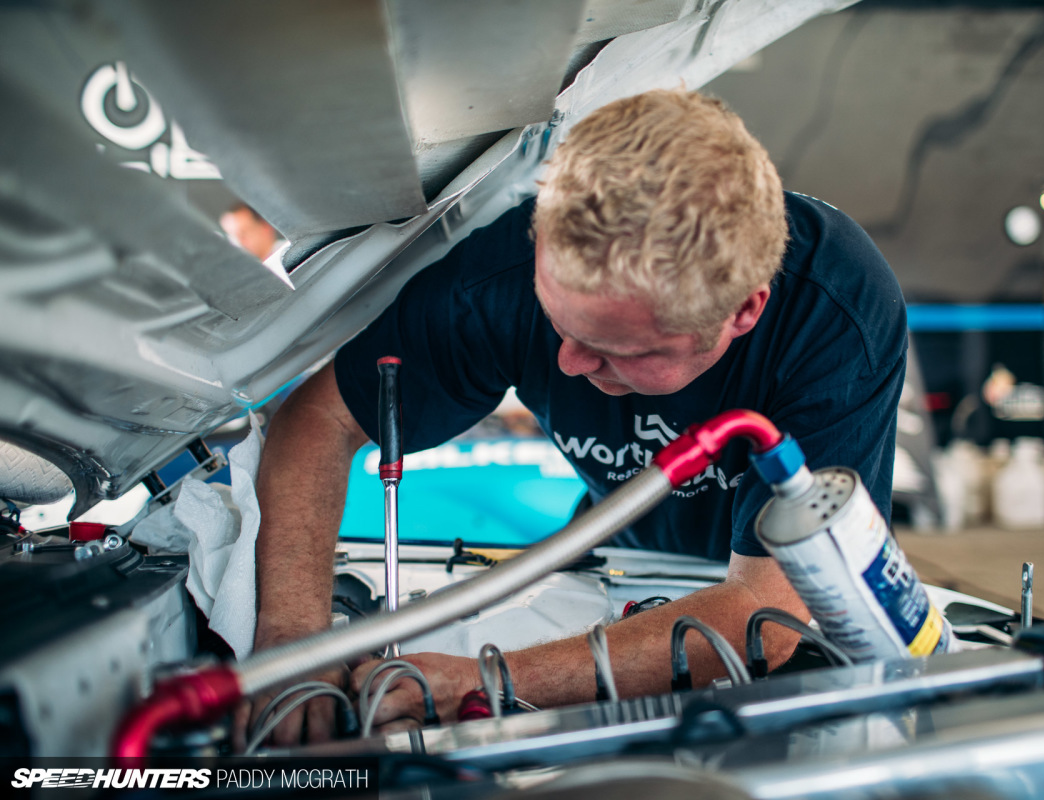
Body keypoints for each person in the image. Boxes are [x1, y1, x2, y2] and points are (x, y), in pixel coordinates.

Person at [238, 89, 907, 747]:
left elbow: (769, 616)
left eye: (619, 350)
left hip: (778, 608)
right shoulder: (506, 271)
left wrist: (486, 681)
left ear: (742, 313)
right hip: (611, 557)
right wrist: (294, 639)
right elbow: (322, 417)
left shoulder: (835, 310)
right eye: (557, 321)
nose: (565, 363)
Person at [220, 202, 284, 262]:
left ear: (265, 227)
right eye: (232, 237)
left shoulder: (288, 255)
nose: (238, 242)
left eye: (243, 234)